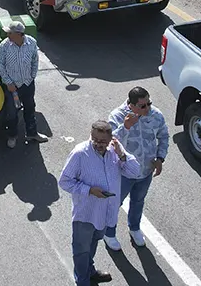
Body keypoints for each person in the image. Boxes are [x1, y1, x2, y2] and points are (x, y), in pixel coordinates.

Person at [60, 120, 140, 285]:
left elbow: (135, 172)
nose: (98, 144)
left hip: (105, 213)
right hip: (86, 214)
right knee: (81, 250)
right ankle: (82, 280)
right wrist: (89, 190)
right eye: (94, 139)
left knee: (94, 242)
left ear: (110, 139)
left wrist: (122, 155)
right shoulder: (80, 154)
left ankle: (90, 271)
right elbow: (64, 181)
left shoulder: (115, 152)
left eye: (103, 141)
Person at [104, 86, 169, 250]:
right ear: (131, 105)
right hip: (123, 173)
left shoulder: (155, 115)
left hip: (145, 171)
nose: (147, 108)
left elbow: (163, 136)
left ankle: (134, 228)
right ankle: (108, 232)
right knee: (114, 203)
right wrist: (125, 127)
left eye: (149, 103)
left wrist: (160, 158)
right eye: (142, 106)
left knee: (138, 201)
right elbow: (111, 144)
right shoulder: (117, 116)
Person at [0, 21, 48, 149]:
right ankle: (12, 136)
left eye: (10, 32)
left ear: (19, 34)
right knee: (12, 113)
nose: (7, 34)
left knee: (30, 108)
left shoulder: (31, 43)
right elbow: (0, 65)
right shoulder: (4, 45)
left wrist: (31, 77)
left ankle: (32, 133)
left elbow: (35, 61)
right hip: (12, 86)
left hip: (28, 84)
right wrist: (8, 82)